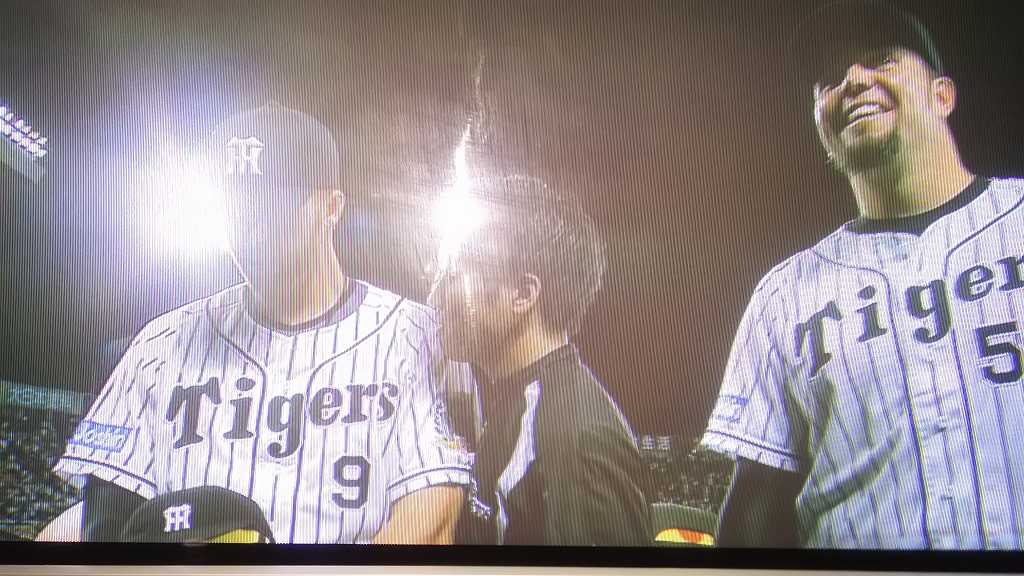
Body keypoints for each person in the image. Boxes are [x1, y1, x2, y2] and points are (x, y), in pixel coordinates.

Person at [49, 103, 474, 543]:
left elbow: (429, 525)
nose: (250, 228)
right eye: (235, 207)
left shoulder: (414, 334)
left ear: (332, 207)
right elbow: (101, 526)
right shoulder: (160, 345)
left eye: (272, 204)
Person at [702, 0, 1024, 549]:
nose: (852, 79)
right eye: (830, 79)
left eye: (881, 59)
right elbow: (755, 513)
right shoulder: (785, 294)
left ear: (942, 95)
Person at [429, 175, 651, 545]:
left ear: (522, 293)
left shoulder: (575, 442)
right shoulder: (518, 401)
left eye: (459, 273)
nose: (439, 295)